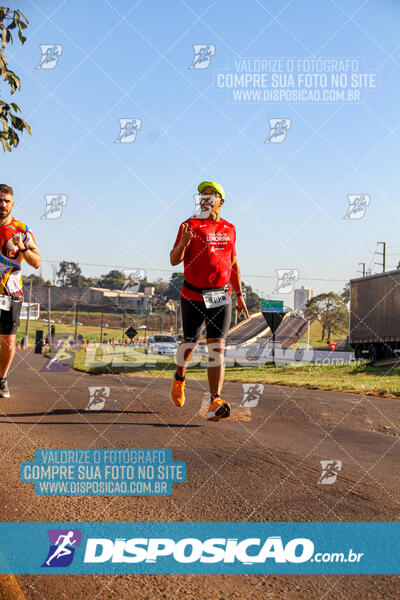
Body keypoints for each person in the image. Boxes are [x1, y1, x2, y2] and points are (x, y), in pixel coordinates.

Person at [170, 181, 248, 421]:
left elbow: (233, 263)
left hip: (219, 295)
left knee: (217, 347)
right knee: (190, 342)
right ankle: (179, 378)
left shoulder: (229, 229)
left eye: (210, 194)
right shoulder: (189, 225)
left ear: (221, 201)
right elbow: (174, 260)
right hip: (193, 294)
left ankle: (215, 399)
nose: (205, 198)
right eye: (202, 194)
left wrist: (239, 294)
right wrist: (184, 242)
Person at [0, 184, 41, 398]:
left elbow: (37, 263)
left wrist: (22, 247)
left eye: (6, 201)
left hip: (8, 295)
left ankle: (1, 379)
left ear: (12, 204)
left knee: (7, 341)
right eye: (0, 200)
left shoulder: (21, 229)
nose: (2, 204)